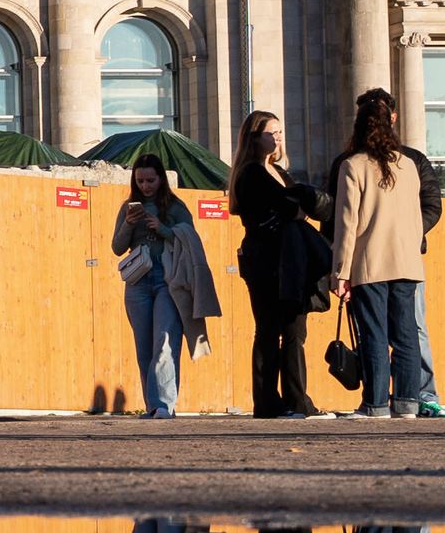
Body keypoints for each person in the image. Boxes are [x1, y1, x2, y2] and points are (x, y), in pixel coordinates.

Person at [321, 87, 445, 419]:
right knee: (406, 335)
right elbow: (419, 214)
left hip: (370, 263)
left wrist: (341, 272)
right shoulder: (409, 164)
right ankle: (407, 403)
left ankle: (376, 403)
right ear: (390, 123)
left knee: (375, 334)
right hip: (407, 262)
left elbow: (347, 225)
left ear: (358, 126)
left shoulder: (353, 165)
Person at [229, 110, 329, 420]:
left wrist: (297, 204)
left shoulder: (281, 172)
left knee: (295, 331)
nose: (278, 138)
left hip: (290, 260)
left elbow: (299, 207)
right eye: (272, 133)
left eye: (281, 132)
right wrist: (297, 203)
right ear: (254, 138)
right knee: (269, 330)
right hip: (265, 261)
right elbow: (290, 207)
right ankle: (269, 403)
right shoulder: (250, 173)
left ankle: (297, 401)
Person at [109, 160, 222, 419]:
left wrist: (161, 228)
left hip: (168, 278)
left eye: (151, 180)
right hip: (137, 280)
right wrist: (128, 223)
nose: (146, 186)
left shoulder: (175, 207)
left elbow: (190, 240)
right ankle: (152, 405)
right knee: (144, 347)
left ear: (161, 179)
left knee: (165, 339)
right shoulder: (127, 207)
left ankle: (164, 404)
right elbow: (116, 247)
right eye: (140, 181)